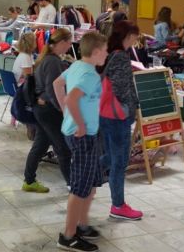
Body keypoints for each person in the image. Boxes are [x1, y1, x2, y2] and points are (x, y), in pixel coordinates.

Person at [52, 32, 108, 251]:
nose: (106, 54)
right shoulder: (89, 75)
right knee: (80, 188)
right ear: (95, 52)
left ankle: (83, 225)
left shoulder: (76, 66)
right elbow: (71, 97)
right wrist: (80, 123)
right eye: (104, 50)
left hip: (87, 135)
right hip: (81, 135)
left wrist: (66, 111)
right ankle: (68, 236)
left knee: (92, 184)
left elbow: (58, 84)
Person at [101, 20, 143, 221]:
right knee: (119, 161)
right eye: (134, 36)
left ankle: (84, 174)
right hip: (118, 116)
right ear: (127, 36)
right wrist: (131, 107)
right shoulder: (120, 57)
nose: (136, 40)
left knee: (110, 156)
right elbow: (120, 88)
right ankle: (118, 205)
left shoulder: (108, 53)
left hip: (106, 114)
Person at [22, 28, 73, 193]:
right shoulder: (53, 62)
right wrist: (62, 110)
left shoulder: (47, 59)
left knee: (41, 145)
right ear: (62, 42)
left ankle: (29, 180)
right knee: (63, 149)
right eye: (69, 42)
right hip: (49, 111)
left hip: (42, 109)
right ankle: (73, 186)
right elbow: (53, 89)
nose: (70, 45)